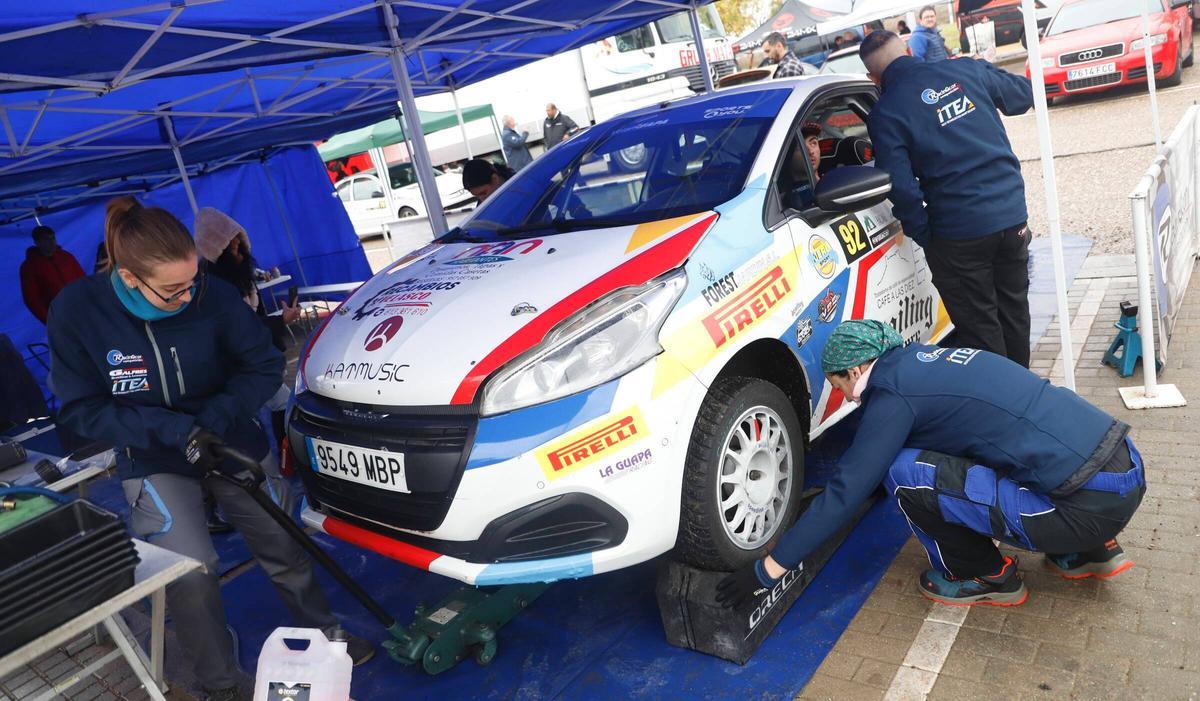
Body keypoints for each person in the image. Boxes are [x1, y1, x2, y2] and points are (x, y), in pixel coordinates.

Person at [47, 197, 373, 701]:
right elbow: (79, 409)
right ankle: (219, 681)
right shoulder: (78, 310)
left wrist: (214, 419)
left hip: (228, 440)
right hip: (153, 454)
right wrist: (171, 430)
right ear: (131, 278)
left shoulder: (210, 294)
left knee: (284, 543)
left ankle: (324, 636)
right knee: (190, 570)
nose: (187, 296)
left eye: (192, 281)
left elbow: (263, 365)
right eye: (173, 290)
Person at [716, 320, 1146, 609]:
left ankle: (986, 575)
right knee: (997, 442)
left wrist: (769, 568)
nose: (846, 398)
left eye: (839, 384)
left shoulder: (893, 394)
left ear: (857, 368)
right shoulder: (937, 361)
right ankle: (1086, 552)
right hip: (1122, 469)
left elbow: (848, 491)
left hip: (1082, 506)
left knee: (902, 474)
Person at [860, 30, 1035, 367]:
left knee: (981, 331)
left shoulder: (886, 113)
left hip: (958, 232)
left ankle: (1002, 407)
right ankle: (1022, 394)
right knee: (1015, 312)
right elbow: (1021, 96)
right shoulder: (966, 70)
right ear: (909, 50)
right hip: (1011, 214)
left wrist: (925, 233)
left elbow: (900, 185)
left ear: (873, 77)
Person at [19, 225, 86, 324]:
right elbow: (32, 299)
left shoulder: (66, 257)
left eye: (53, 238)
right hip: (60, 317)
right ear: (37, 243)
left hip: (82, 308)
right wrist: (49, 320)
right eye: (46, 239)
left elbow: (83, 281)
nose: (52, 242)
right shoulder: (29, 267)